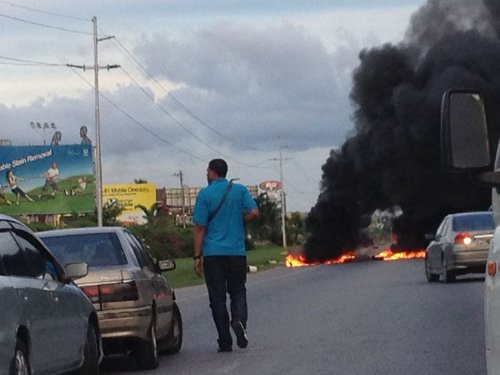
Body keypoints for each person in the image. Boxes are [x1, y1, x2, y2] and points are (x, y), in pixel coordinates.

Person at [193, 159, 259, 353]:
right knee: (238, 290)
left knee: (217, 298)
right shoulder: (239, 190)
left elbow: (199, 227)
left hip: (213, 254)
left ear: (213, 172)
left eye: (207, 171)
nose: (206, 174)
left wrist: (197, 256)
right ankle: (238, 319)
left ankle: (225, 341)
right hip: (236, 252)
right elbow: (254, 212)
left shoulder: (205, 194)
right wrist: (240, 218)